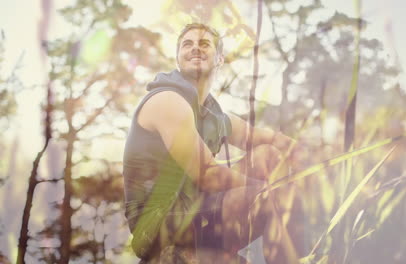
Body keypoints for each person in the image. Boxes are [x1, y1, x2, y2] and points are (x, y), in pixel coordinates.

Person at [123, 23, 306, 264]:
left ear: (220, 59)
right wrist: (270, 190)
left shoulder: (211, 114)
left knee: (267, 155)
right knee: (273, 199)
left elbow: (261, 137)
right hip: (158, 223)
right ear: (178, 58)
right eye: (187, 44)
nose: (195, 48)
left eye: (204, 43)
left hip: (195, 212)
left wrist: (305, 158)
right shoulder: (168, 101)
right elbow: (207, 175)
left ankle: (297, 252)